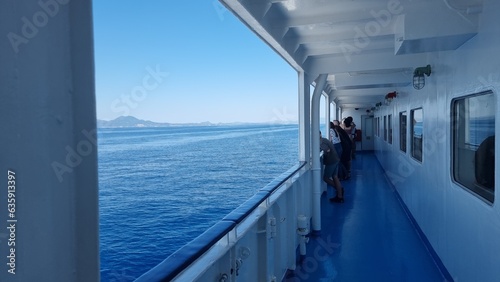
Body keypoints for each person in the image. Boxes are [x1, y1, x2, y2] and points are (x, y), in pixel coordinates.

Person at [320, 131, 344, 203]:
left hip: (331, 161)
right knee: (335, 176)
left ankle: (339, 190)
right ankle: (340, 195)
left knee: (325, 178)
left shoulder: (321, 142)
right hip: (336, 159)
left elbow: (327, 150)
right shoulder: (324, 139)